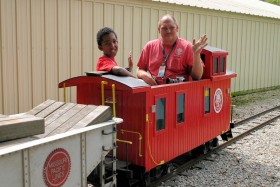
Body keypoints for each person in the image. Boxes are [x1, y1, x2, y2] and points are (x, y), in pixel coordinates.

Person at [136, 14, 207, 85]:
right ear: (158, 30)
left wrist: (196, 55)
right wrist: (143, 74)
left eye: (171, 27)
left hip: (177, 92)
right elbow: (139, 70)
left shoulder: (187, 47)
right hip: (153, 89)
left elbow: (197, 77)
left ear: (177, 28)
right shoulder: (150, 46)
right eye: (164, 28)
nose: (168, 31)